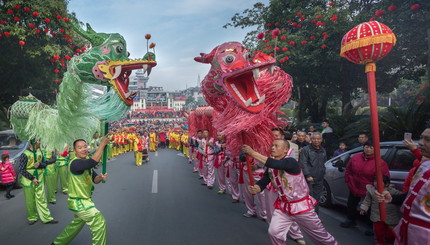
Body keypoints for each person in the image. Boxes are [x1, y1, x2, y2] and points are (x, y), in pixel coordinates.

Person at [244, 140, 339, 245]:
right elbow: (265, 179)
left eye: (276, 146)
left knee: (321, 237)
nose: (273, 148)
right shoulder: (271, 166)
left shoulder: (290, 162)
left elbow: (278, 164)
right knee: (274, 233)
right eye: (272, 145)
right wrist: (257, 187)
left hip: (301, 207)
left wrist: (253, 153)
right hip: (283, 207)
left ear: (286, 150)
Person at [374, 127, 430, 245]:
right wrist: (393, 198)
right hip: (407, 234)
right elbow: (414, 197)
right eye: (421, 138)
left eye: (427, 139)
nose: (420, 143)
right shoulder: (423, 166)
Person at [52, 136, 109, 245]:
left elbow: (95, 180)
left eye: (85, 146)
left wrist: (101, 177)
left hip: (85, 201)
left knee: (75, 226)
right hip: (79, 202)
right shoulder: (75, 163)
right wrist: (102, 145)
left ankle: (57, 243)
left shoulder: (85, 164)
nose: (83, 149)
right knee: (99, 221)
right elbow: (93, 162)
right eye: (79, 148)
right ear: (75, 151)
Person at [340, 140, 390, 230]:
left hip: (369, 189)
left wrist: (375, 189)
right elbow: (348, 169)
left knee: (371, 208)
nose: (369, 149)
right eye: (367, 147)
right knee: (351, 205)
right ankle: (350, 220)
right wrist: (348, 180)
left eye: (371, 147)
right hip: (354, 186)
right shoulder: (355, 157)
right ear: (363, 147)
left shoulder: (380, 162)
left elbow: (384, 177)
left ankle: (371, 226)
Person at [19, 140, 58, 225]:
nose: (41, 143)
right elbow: (21, 170)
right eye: (39, 142)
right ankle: (32, 217)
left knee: (42, 198)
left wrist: (40, 164)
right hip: (28, 181)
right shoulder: (24, 154)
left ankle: (46, 218)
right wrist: (32, 178)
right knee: (30, 200)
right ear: (34, 142)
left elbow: (44, 164)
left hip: (40, 178)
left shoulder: (39, 151)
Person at [359, 175, 402, 245]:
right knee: (378, 231)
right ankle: (379, 242)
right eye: (375, 181)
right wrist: (363, 208)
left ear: (387, 184)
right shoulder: (371, 191)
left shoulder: (391, 190)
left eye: (379, 182)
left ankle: (389, 242)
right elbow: (367, 201)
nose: (376, 183)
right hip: (377, 216)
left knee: (390, 233)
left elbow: (401, 196)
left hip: (390, 215)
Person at [298, 132, 327, 213]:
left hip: (320, 178)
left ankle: (315, 217)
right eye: (314, 138)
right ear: (311, 139)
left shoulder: (323, 150)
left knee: (317, 198)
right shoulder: (306, 149)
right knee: (309, 198)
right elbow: (303, 163)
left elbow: (324, 163)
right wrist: (307, 175)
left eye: (318, 139)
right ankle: (308, 217)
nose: (316, 140)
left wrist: (323, 172)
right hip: (309, 178)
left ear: (321, 140)